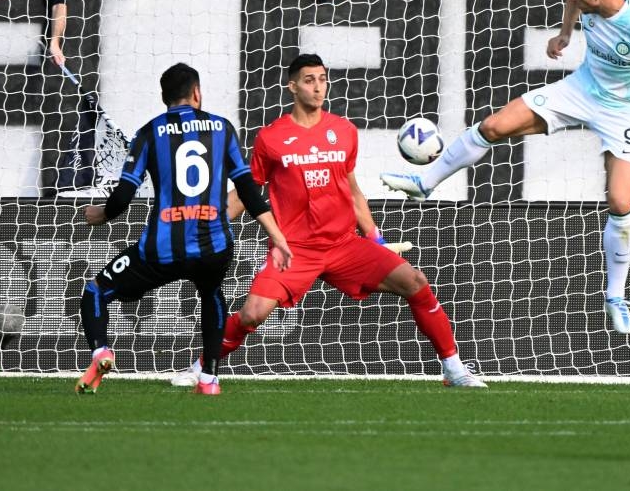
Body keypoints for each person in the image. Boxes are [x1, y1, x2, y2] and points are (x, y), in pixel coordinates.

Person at [381, 0, 630, 334]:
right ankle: (426, 183)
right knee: (492, 126)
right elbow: (571, 4)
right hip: (580, 90)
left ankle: (615, 295)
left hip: (624, 112)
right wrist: (565, 35)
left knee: (621, 202)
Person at [172, 54, 486, 389]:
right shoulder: (271, 137)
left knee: (416, 282)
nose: (318, 86)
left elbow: (352, 191)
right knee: (252, 315)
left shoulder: (344, 131)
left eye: (322, 78)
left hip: (344, 245)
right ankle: (201, 366)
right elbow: (247, 192)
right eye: (309, 80)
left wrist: (375, 239)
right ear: (292, 86)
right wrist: (206, 225)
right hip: (294, 250)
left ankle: (453, 369)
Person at [75, 63, 293, 395]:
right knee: (212, 294)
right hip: (213, 246)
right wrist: (276, 236)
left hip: (161, 250)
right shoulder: (222, 129)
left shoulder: (149, 133)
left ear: (164, 98)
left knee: (96, 292)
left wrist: (100, 214)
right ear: (197, 93)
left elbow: (121, 200)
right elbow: (248, 190)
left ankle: (101, 351)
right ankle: (210, 379)